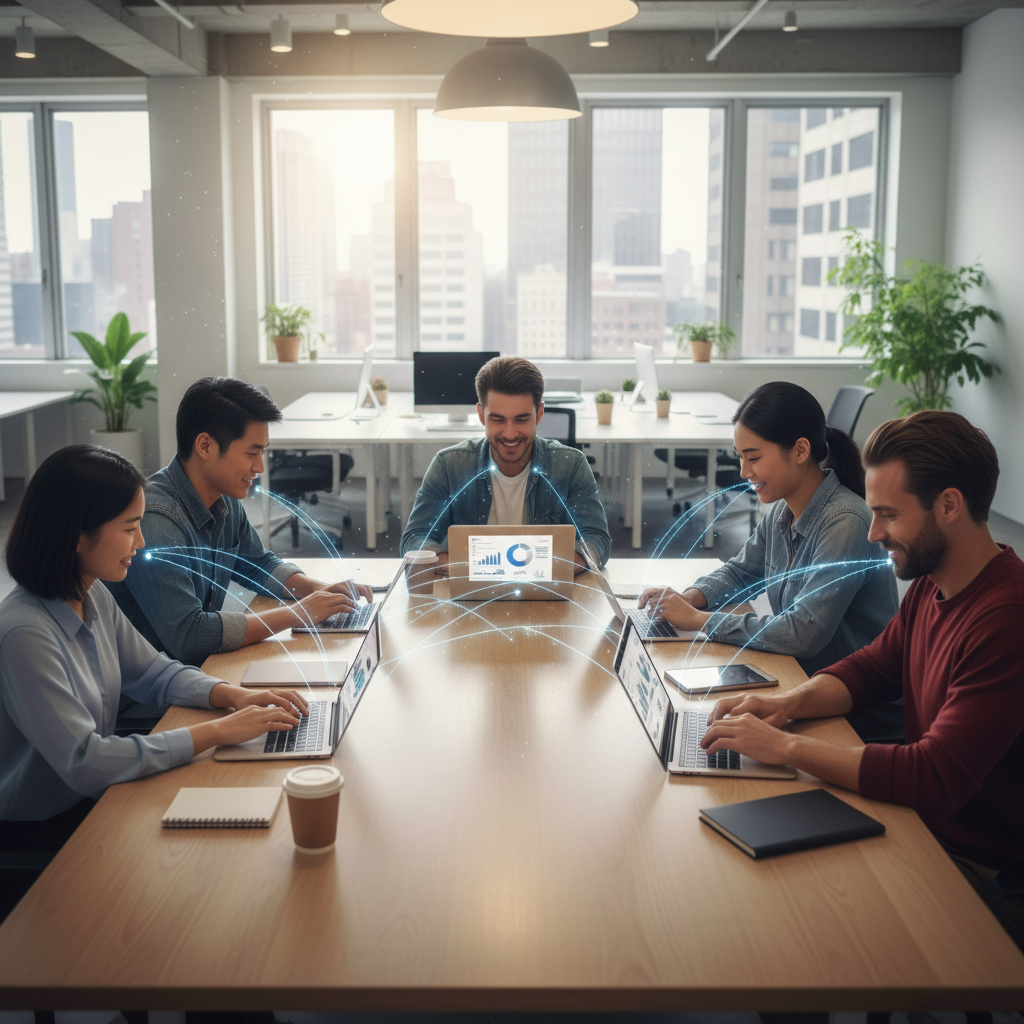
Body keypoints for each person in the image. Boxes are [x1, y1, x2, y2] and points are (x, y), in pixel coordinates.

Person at [701, 411, 1024, 951]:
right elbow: (874, 668)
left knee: (783, 921)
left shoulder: (1006, 616)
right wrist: (786, 704)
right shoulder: (933, 583)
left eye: (888, 515)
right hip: (926, 820)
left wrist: (785, 747)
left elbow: (935, 774)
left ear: (949, 505)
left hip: (979, 856)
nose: (873, 533)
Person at [0, 445, 308, 833]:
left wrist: (234, 695)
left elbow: (155, 673)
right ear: (77, 537)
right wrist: (216, 731)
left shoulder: (92, 593)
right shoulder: (24, 633)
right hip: (44, 826)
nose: (141, 542)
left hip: (96, 796)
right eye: (130, 528)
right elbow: (85, 760)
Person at [639, 381, 899, 686]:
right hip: (802, 678)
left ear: (801, 450)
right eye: (739, 457)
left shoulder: (846, 521)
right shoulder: (782, 509)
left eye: (754, 457)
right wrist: (687, 600)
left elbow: (803, 634)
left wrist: (699, 620)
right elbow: (741, 574)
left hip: (855, 714)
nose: (744, 472)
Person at [108, 376, 373, 668]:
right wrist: (299, 613)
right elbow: (188, 636)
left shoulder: (224, 497)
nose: (259, 467)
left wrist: (318, 590)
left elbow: (258, 564)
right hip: (154, 701)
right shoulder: (156, 522)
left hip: (198, 671)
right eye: (251, 452)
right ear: (205, 446)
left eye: (263, 452)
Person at [399, 355, 611, 575]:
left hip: (546, 595)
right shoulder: (448, 466)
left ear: (539, 414)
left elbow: (596, 538)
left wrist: (546, 571)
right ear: (481, 414)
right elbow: (416, 538)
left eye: (521, 419)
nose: (510, 434)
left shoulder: (571, 466)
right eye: (498, 420)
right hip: (469, 598)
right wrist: (465, 571)